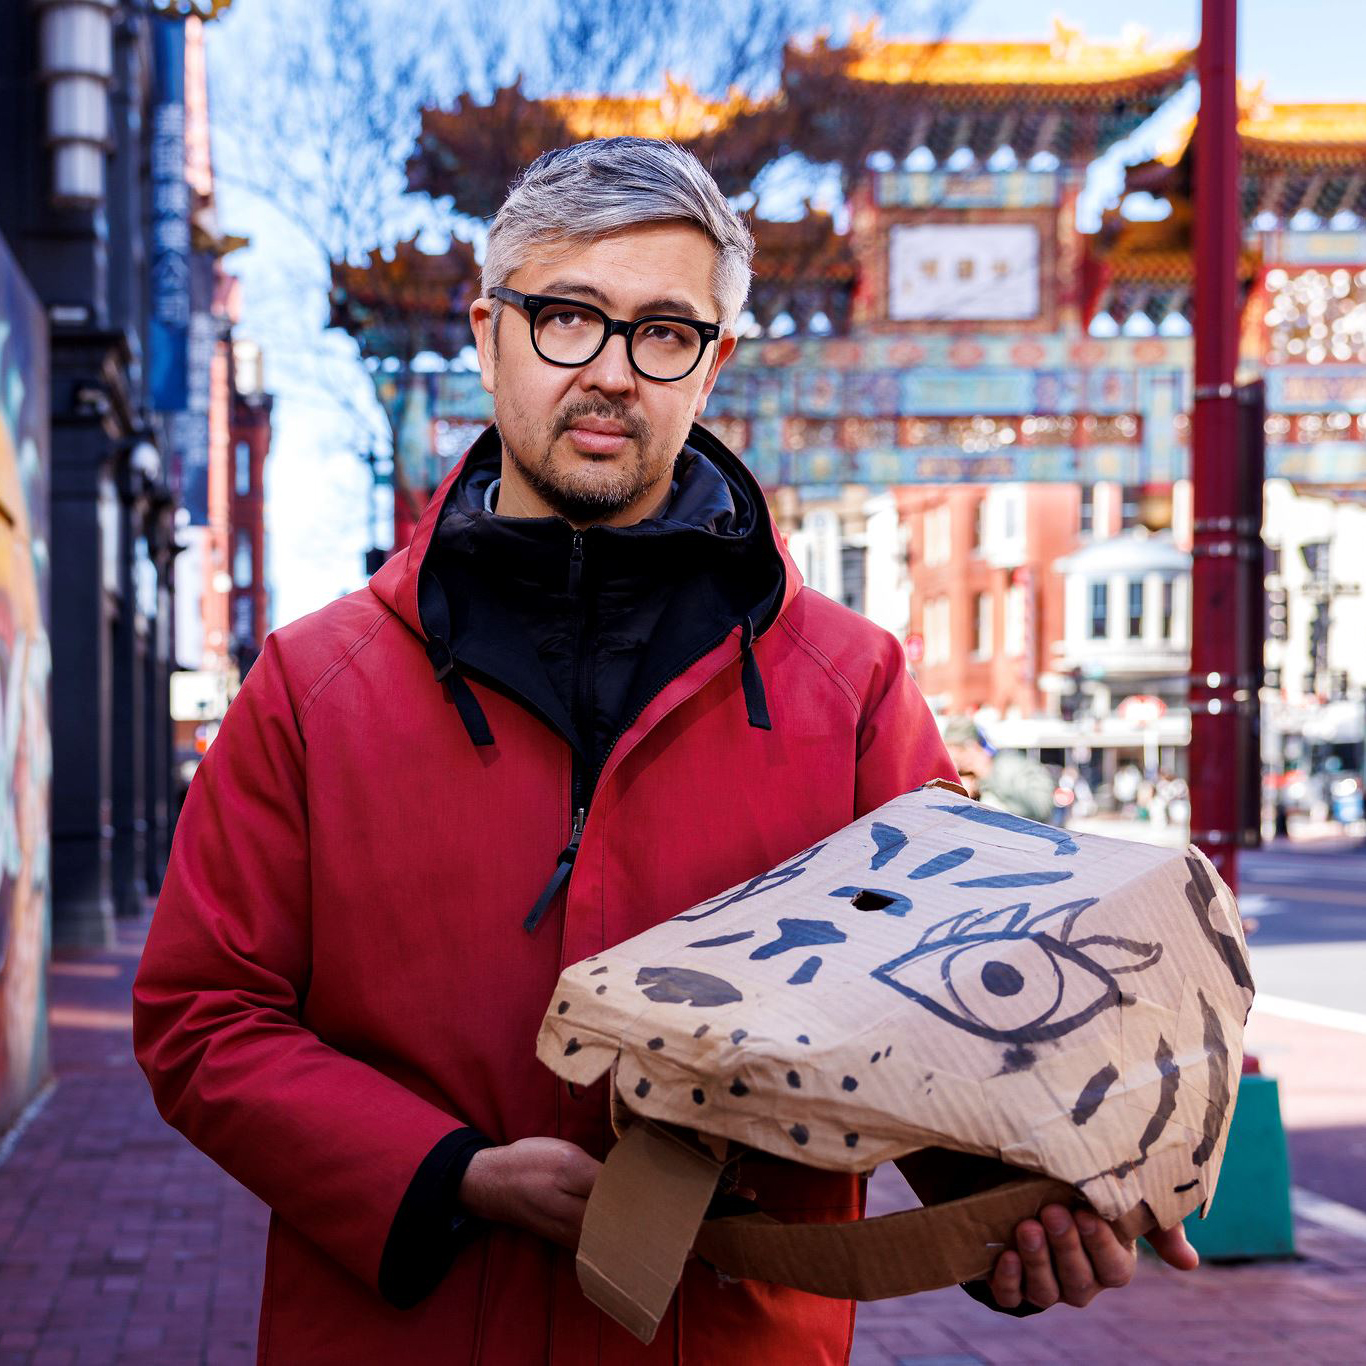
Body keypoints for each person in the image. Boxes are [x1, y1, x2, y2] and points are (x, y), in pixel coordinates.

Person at [132, 138, 1196, 1365]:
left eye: (663, 333)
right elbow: (203, 1013)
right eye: (566, 318)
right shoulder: (316, 686)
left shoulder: (849, 688)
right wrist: (449, 1175)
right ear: (486, 334)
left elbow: (944, 1009)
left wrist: (1026, 1206)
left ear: (713, 365)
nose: (610, 373)